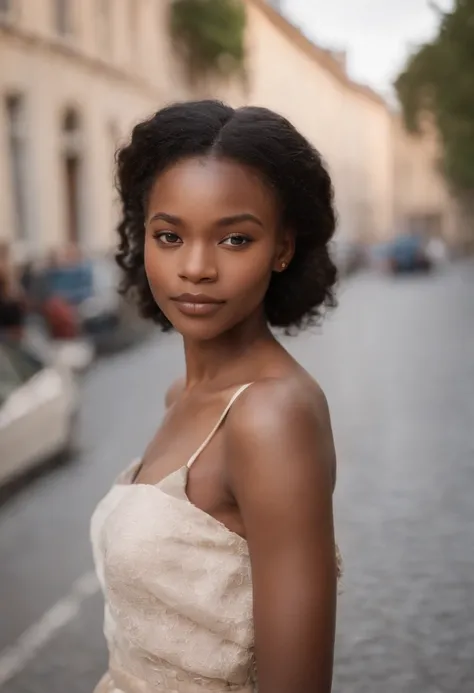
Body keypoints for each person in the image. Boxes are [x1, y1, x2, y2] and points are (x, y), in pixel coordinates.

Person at [91, 100, 341, 693]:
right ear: (142, 238)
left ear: (282, 248)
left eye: (234, 238)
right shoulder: (180, 394)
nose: (195, 268)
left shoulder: (271, 415)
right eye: (170, 235)